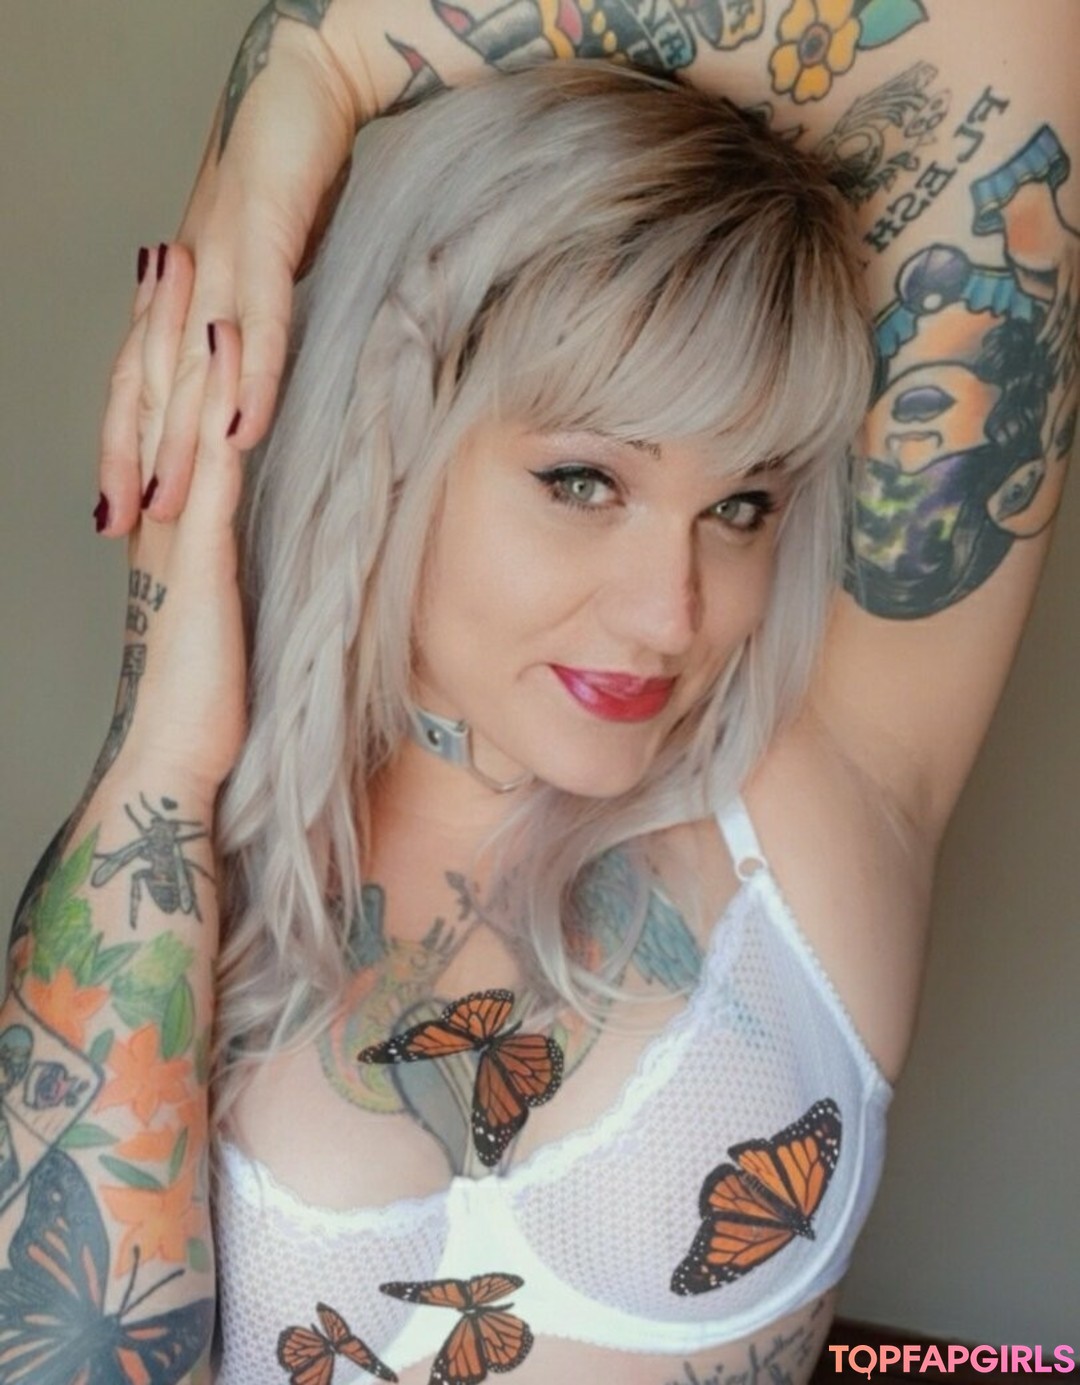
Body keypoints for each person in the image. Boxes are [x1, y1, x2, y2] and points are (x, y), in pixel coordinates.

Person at [2, 6, 1077, 1385]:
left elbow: (999, 33)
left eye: (741, 506)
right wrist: (162, 744)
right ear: (390, 435)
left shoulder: (828, 786)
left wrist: (319, 58)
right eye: (585, 481)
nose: (672, 613)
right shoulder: (204, 886)